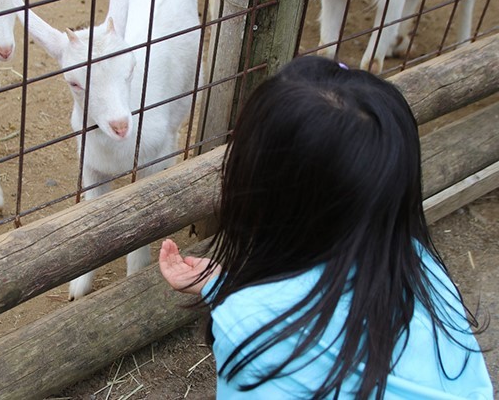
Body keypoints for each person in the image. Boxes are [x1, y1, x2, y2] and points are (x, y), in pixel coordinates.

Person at [158, 56, 493, 399]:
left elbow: (286, 328)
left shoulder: (250, 330)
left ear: (260, 187)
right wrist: (224, 286)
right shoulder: (418, 265)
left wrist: (240, 302)